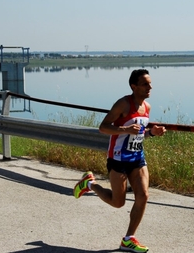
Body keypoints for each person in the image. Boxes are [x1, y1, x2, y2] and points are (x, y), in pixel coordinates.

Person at [73, 69, 166, 253]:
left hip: (137, 157)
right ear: (134, 86)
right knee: (118, 202)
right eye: (145, 84)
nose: (150, 87)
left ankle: (128, 239)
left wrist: (151, 133)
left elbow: (138, 134)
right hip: (118, 158)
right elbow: (103, 127)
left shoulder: (147, 107)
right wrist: (124, 129)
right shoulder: (123, 104)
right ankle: (90, 184)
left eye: (150, 83)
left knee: (143, 195)